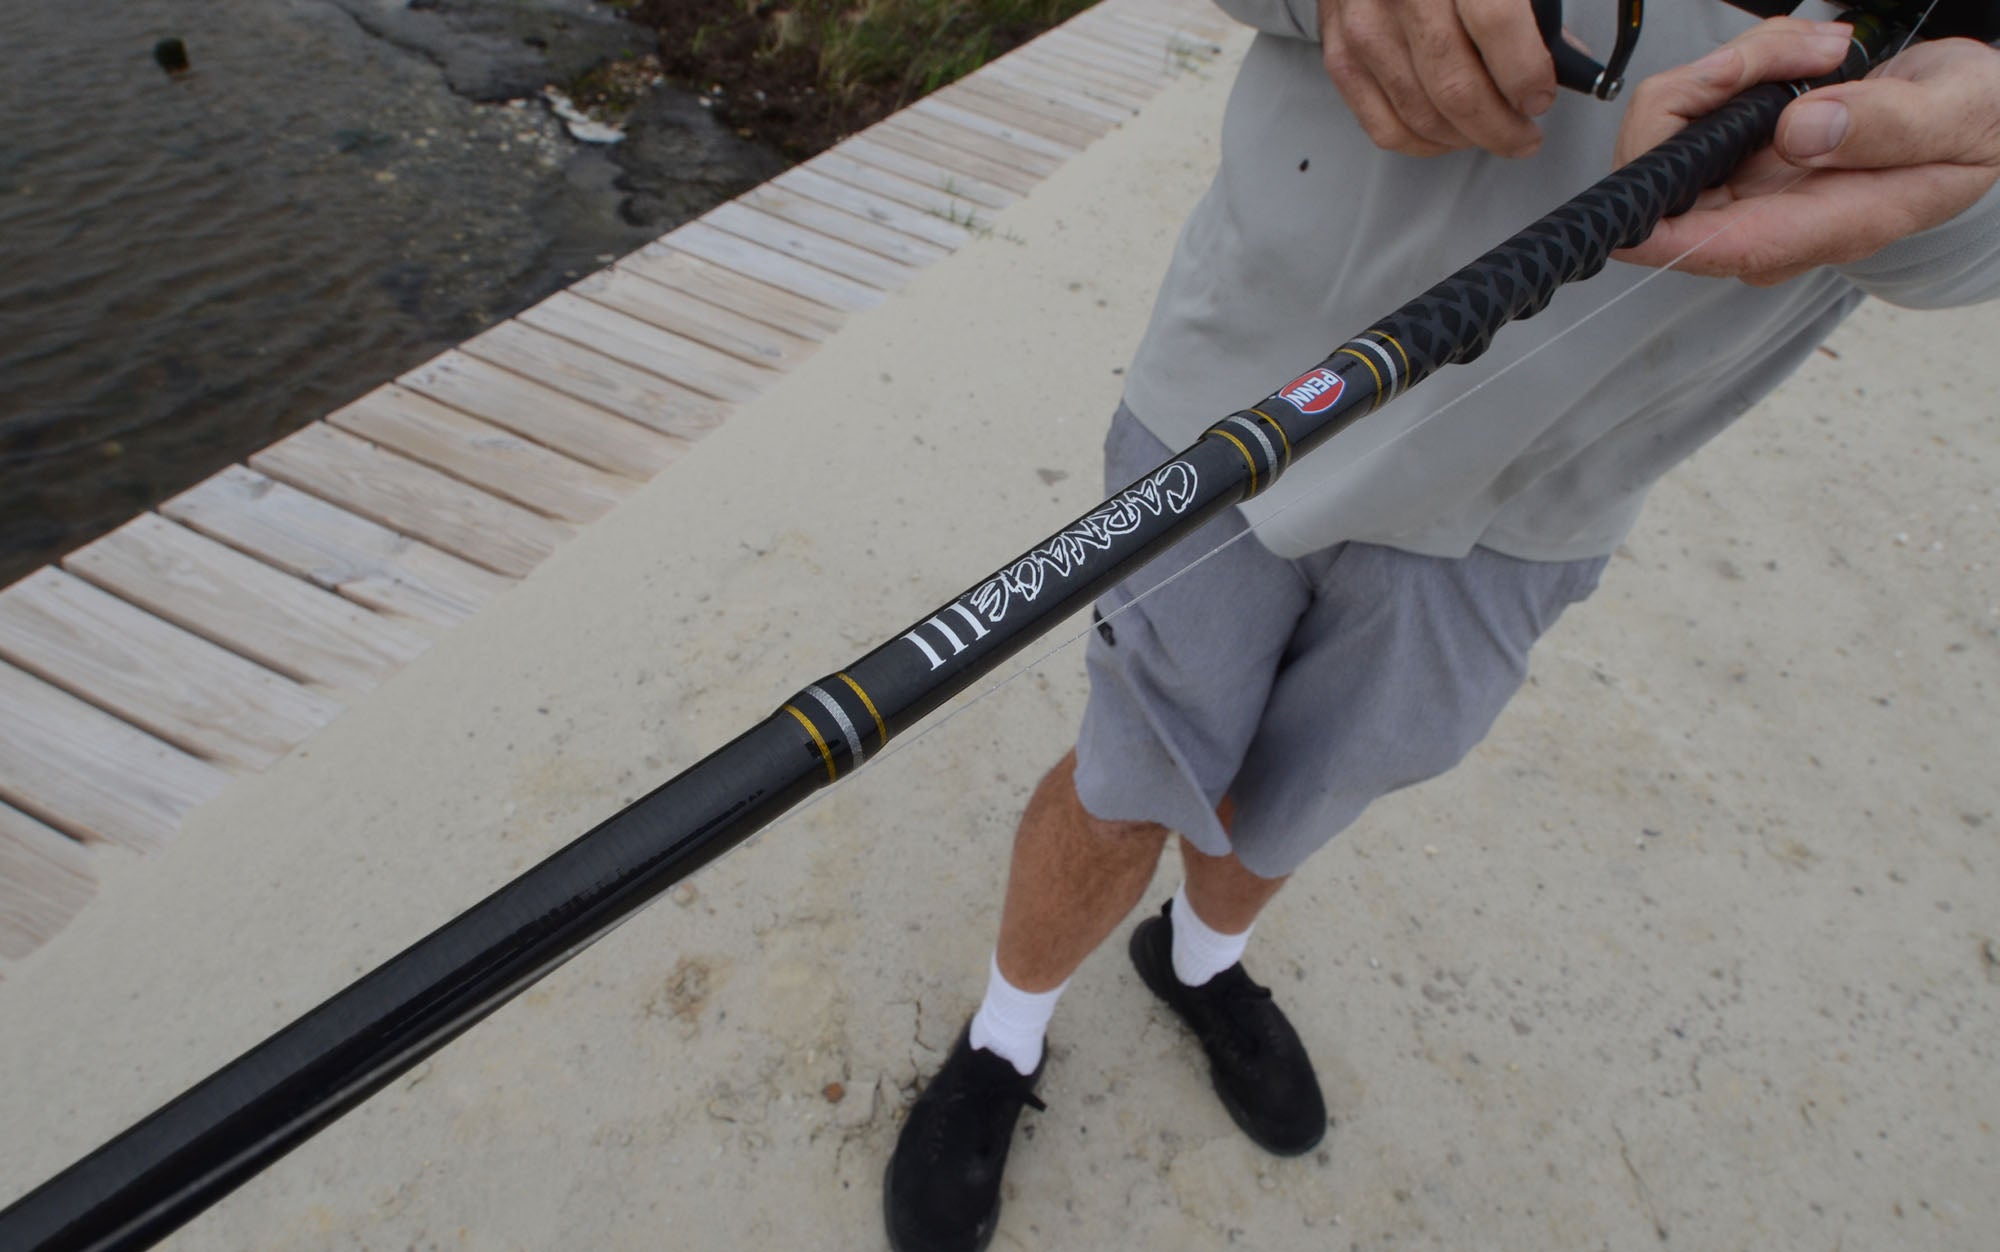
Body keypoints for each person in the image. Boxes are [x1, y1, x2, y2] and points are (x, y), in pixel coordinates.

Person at [882, 3, 2000, 1249]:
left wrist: (1959, 159)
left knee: (1315, 782)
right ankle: (1003, 1034)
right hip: (1232, 407)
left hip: (1535, 506)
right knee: (1132, 775)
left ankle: (1194, 962)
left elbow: (1957, 261)